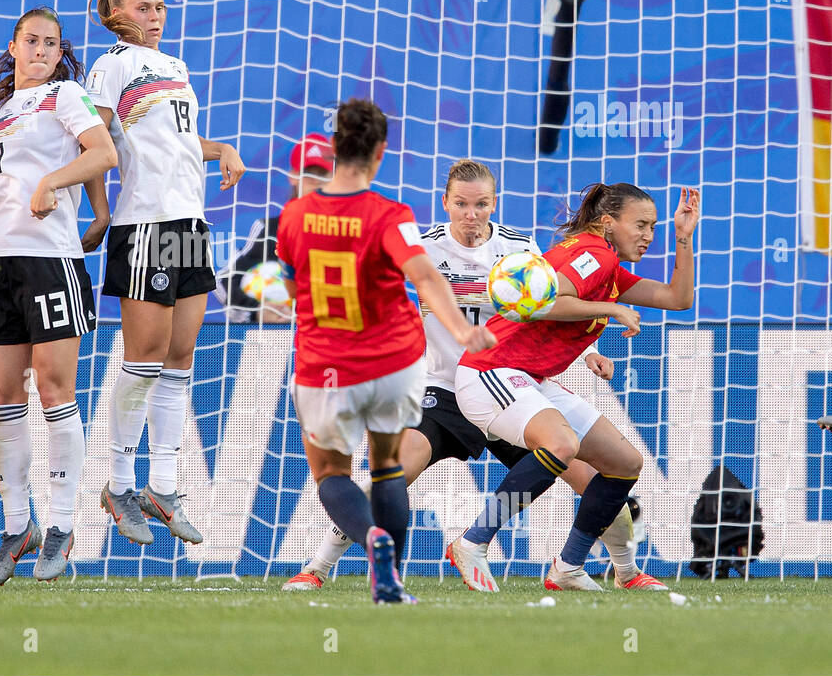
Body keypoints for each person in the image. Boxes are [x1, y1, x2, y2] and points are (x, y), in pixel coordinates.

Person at [284, 160, 666, 592]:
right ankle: (316, 567)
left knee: (597, 480)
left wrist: (591, 350)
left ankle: (627, 571)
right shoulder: (423, 249)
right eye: (462, 204)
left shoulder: (519, 249)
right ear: (445, 203)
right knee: (393, 473)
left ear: (493, 204)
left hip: (510, 383)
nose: (471, 214)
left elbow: (550, 307)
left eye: (481, 204)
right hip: (442, 389)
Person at [277, 102, 497, 604]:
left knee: (332, 475)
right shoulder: (390, 216)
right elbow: (425, 276)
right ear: (380, 152)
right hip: (392, 365)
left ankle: (368, 535)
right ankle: (390, 581)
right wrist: (462, 331)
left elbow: (291, 289)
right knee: (387, 468)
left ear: (335, 150)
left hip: (325, 365)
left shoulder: (294, 216)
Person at [447, 182, 701, 591]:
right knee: (561, 444)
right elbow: (547, 301)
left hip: (529, 379)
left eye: (653, 227)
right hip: (489, 370)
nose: (648, 236)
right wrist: (612, 308)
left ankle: (568, 567)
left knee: (624, 463)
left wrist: (683, 238)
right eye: (640, 225)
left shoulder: (608, 266)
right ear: (607, 222)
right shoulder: (593, 252)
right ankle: (473, 541)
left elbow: (678, 298)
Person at [86, 0, 245, 547]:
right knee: (144, 356)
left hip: (188, 223)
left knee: (180, 359)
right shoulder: (112, 65)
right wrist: (98, 210)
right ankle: (119, 484)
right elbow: (94, 140)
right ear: (116, 15)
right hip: (144, 223)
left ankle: (164, 486)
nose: (156, 15)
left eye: (161, 6)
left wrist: (219, 147)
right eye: (143, 7)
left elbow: (177, 142)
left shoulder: (175, 67)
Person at [0, 8, 116, 586]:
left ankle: (60, 525)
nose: (40, 50)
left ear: (60, 54)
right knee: (4, 395)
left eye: (50, 43)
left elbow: (103, 153)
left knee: (55, 390)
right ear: (13, 47)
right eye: (30, 41)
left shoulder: (66, 96)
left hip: (51, 262)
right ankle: (18, 526)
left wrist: (52, 183)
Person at [215, 133, 332, 325]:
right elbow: (223, 281)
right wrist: (258, 313)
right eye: (310, 175)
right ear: (294, 177)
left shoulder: (346, 230)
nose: (317, 183)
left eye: (323, 176)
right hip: (275, 339)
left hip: (328, 335)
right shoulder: (271, 230)